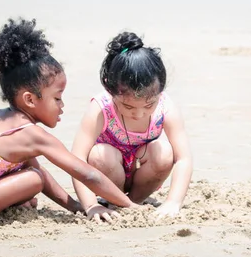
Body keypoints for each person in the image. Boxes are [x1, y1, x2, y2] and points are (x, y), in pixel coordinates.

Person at [0, 18, 138, 225]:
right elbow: (87, 174)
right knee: (31, 180)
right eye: (57, 98)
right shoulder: (30, 135)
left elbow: (38, 170)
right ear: (29, 99)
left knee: (30, 176)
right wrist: (131, 207)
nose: (62, 105)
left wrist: (77, 207)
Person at [71, 32, 193, 223]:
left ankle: (134, 202)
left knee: (164, 152)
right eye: (128, 106)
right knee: (99, 154)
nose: (139, 114)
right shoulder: (100, 108)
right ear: (110, 90)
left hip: (144, 172)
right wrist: (90, 205)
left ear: (160, 91)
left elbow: (183, 158)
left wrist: (173, 202)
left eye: (148, 105)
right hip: (108, 172)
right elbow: (76, 160)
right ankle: (114, 200)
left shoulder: (166, 107)